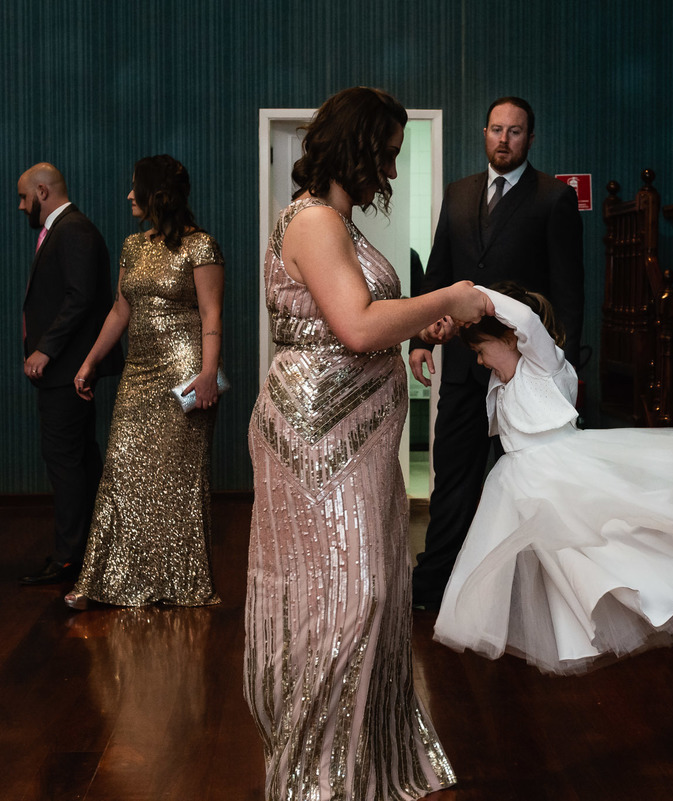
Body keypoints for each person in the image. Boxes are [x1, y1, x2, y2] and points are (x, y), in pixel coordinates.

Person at [245, 86, 491, 801]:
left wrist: (415, 325)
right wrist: (448, 298)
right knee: (349, 598)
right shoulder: (314, 220)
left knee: (370, 592)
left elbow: (364, 316)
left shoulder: (339, 224)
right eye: (385, 154)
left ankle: (363, 765)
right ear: (354, 147)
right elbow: (355, 327)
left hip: (361, 434)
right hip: (319, 435)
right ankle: (318, 777)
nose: (390, 170)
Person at [433, 284, 673, 675]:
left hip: (569, 470)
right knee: (569, 558)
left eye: (481, 350)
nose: (479, 361)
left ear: (512, 339)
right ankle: (577, 633)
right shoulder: (502, 381)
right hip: (528, 486)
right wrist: (451, 324)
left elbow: (526, 319)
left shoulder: (545, 366)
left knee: (651, 499)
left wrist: (476, 297)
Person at [409, 96, 584, 611]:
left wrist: (561, 370)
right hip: (465, 368)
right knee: (452, 479)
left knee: (527, 489)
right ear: (483, 133)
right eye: (495, 129)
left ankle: (527, 599)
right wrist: (420, 338)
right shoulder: (459, 192)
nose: (503, 139)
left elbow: (568, 291)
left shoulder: (553, 197)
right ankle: (435, 586)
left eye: (515, 131)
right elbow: (439, 272)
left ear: (530, 138)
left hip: (524, 373)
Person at [67, 155, 225, 610]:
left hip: (185, 374)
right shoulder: (133, 246)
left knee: (178, 481)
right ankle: (103, 580)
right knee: (121, 470)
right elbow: (121, 310)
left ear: (156, 193)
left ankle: (182, 583)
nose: (128, 195)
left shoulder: (201, 246)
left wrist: (208, 375)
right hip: (138, 373)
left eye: (134, 186)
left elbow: (211, 314)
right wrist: (89, 362)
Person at [17, 163, 123, 586]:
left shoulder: (74, 230)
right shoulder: (65, 230)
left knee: (66, 462)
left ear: (42, 192)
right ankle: (89, 553)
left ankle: (69, 558)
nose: (21, 206)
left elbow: (80, 299)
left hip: (67, 369)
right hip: (67, 369)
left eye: (24, 197)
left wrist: (45, 348)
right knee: (78, 459)